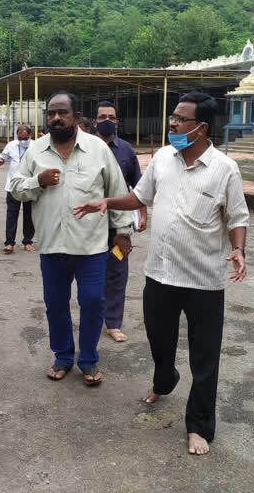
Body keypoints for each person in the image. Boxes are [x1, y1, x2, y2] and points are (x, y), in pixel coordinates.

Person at [74, 92, 249, 455]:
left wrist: (238, 249)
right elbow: (139, 197)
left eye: (181, 119)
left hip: (203, 281)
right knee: (160, 343)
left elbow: (237, 218)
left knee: (205, 358)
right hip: (160, 275)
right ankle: (165, 380)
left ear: (201, 127)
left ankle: (199, 426)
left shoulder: (224, 168)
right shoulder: (162, 159)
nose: (172, 124)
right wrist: (108, 201)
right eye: (172, 117)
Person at [10, 91, 134, 386]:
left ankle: (88, 359)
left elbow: (116, 191)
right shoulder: (36, 151)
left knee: (93, 301)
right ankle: (63, 356)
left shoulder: (97, 149)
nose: (56, 118)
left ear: (76, 117)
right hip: (52, 244)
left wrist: (123, 232)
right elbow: (16, 188)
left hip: (91, 245)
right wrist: (36, 182)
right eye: (51, 113)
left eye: (62, 112)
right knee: (55, 303)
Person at [92, 101, 148, 343]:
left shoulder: (125, 150)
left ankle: (113, 323)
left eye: (111, 117)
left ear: (117, 121)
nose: (107, 120)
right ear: (94, 122)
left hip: (118, 225)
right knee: (90, 275)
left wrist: (143, 214)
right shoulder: (84, 148)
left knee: (117, 273)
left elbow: (139, 187)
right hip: (89, 225)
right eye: (102, 116)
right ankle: (91, 320)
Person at [0, 124, 35, 254]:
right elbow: (3, 156)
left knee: (29, 215)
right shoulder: (11, 145)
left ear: (30, 135)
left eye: (25, 138)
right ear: (17, 136)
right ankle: (9, 243)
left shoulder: (36, 146)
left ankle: (28, 241)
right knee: (12, 214)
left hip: (29, 186)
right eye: (20, 138)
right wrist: (0, 160)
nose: (23, 140)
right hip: (12, 186)